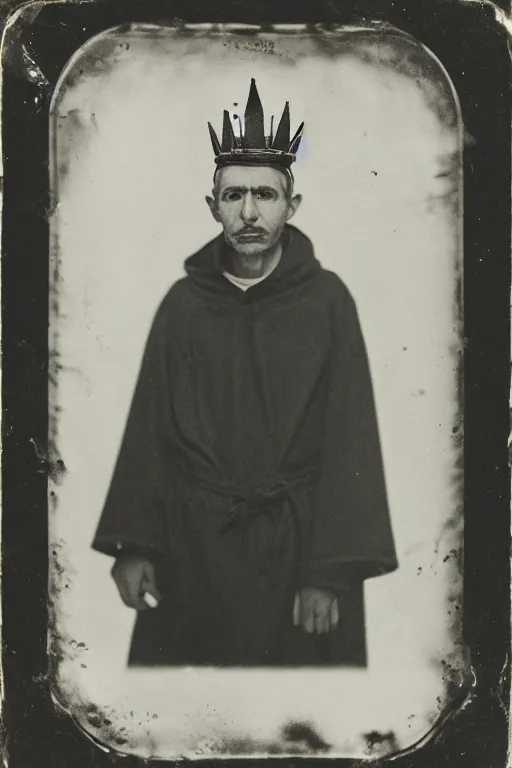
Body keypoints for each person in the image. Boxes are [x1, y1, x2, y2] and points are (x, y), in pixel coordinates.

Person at [92, 79, 398, 667]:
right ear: (213, 207)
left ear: (293, 204)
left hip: (300, 554)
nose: (250, 213)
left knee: (301, 729)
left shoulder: (328, 302)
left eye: (266, 194)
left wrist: (328, 573)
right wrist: (133, 546)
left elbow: (350, 439)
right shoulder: (183, 305)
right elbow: (148, 431)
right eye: (233, 197)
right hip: (194, 553)